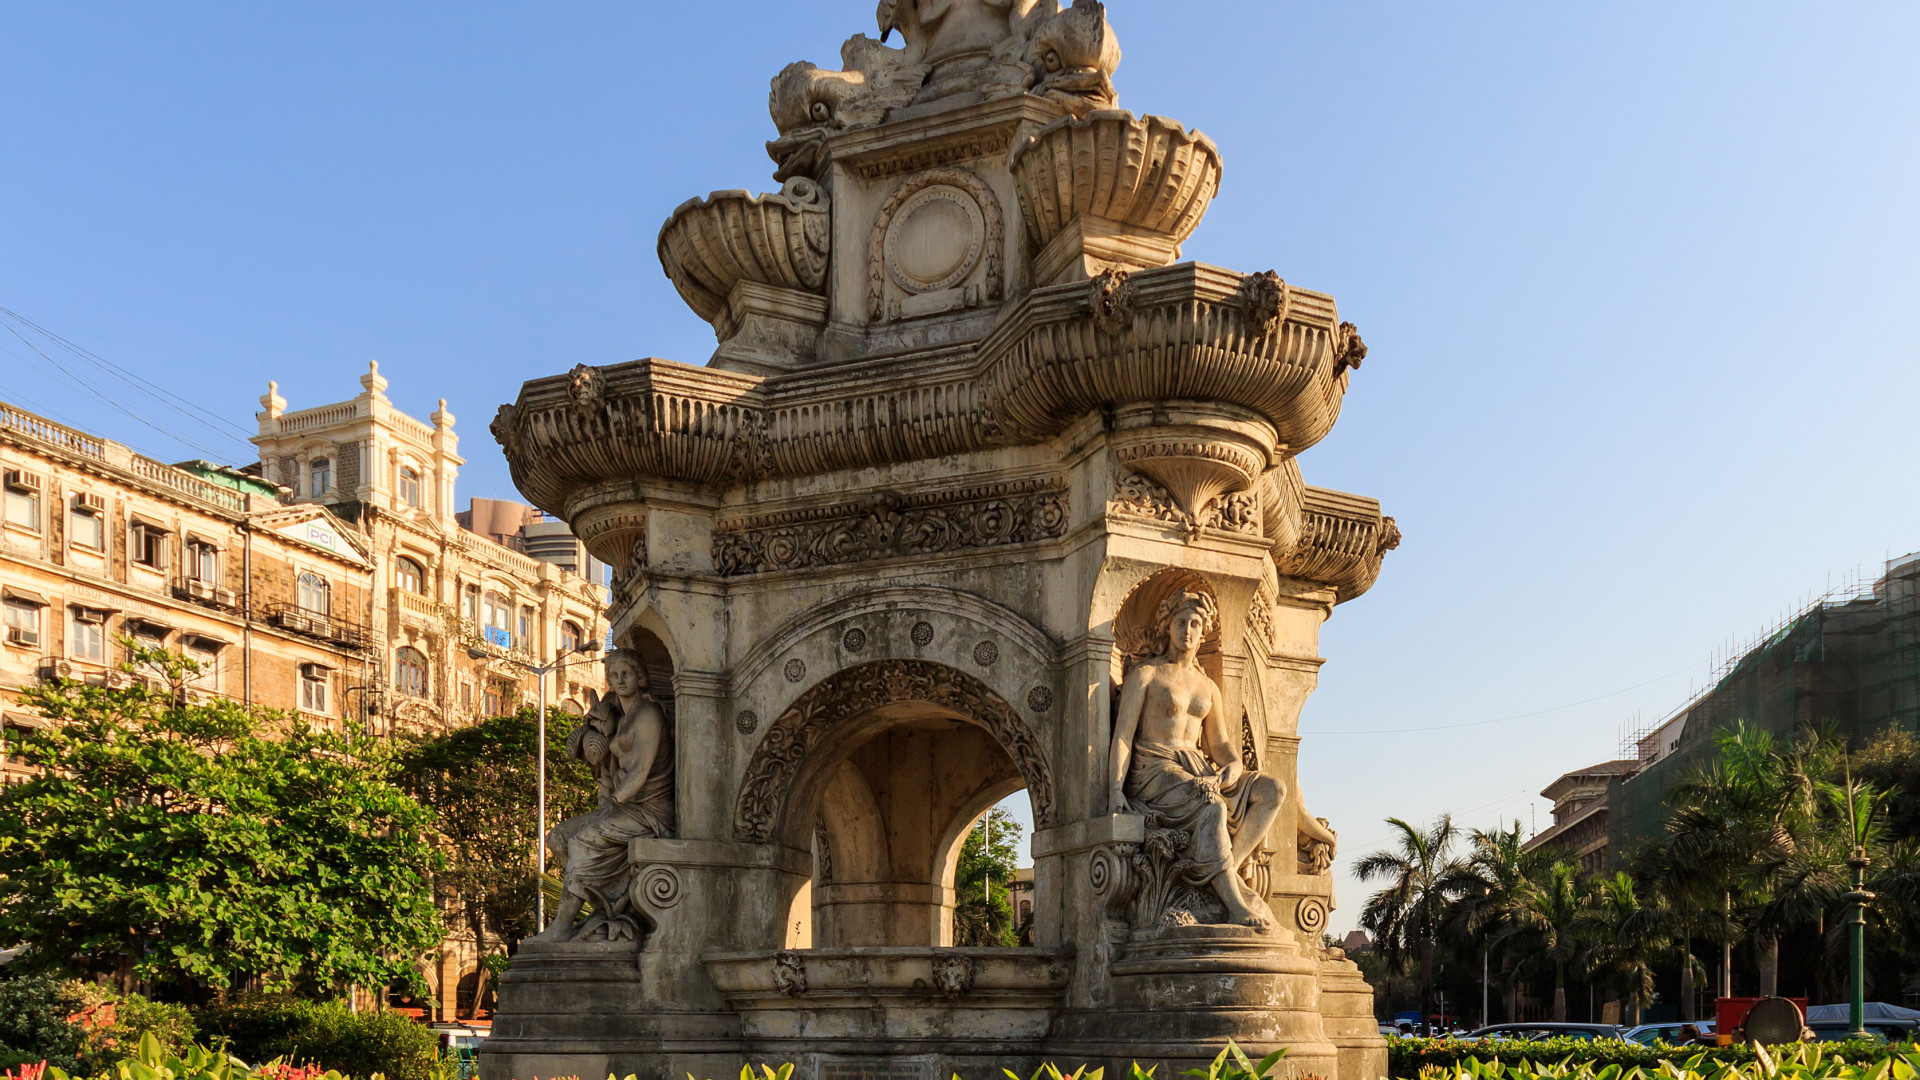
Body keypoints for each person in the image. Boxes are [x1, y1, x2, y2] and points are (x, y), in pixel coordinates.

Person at [1108, 589, 1283, 929]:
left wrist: (1231, 770)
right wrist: (1115, 789)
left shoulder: (1208, 687)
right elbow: (1124, 737)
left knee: (1273, 790)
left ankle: (1229, 870)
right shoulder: (1146, 675)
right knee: (1213, 807)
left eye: (1195, 624)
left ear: (1204, 632)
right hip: (1154, 767)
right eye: (1181, 622)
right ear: (1167, 627)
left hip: (1199, 769)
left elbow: (1220, 745)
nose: (1187, 631)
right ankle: (1234, 904)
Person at [529, 647, 675, 942]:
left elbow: (640, 771)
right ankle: (607, 905)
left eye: (627, 674)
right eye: (614, 675)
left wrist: (613, 803)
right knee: (557, 837)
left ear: (640, 677)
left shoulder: (648, 715)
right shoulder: (621, 716)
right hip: (623, 807)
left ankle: (560, 928)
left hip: (649, 811)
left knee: (583, 843)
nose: (620, 680)